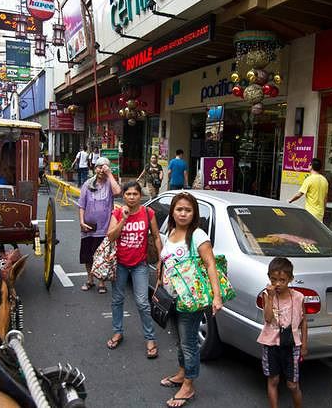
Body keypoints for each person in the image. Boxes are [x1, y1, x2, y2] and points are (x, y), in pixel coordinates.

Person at [157, 192, 223, 408]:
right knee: (181, 339)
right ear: (172, 212)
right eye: (179, 209)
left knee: (189, 343)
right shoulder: (172, 231)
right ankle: (182, 373)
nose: (183, 213)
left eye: (188, 210)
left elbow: (211, 264)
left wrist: (217, 296)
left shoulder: (198, 235)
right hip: (173, 297)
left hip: (191, 299)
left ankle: (188, 385)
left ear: (194, 213)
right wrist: (159, 282)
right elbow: (164, 260)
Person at [106, 181, 162, 358]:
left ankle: (150, 338)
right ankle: (117, 332)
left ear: (140, 195)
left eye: (134, 194)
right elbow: (111, 236)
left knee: (142, 303)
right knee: (117, 300)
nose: (131, 197)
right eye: (128, 194)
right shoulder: (117, 212)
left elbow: (156, 236)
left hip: (140, 265)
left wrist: (161, 260)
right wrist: (123, 218)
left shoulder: (147, 212)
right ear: (123, 196)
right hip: (120, 264)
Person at [257, 257, 307, 408]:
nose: (277, 284)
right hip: (271, 343)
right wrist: (270, 298)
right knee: (273, 380)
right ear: (269, 278)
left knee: (293, 384)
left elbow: (304, 321)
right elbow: (267, 318)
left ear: (290, 279)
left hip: (292, 344)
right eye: (273, 280)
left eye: (282, 280)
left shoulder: (298, 297)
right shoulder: (267, 295)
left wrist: (304, 344)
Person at [78, 157, 121, 294]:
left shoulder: (110, 183)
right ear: (94, 168)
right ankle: (90, 279)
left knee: (102, 256)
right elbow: (81, 205)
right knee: (87, 255)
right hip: (89, 226)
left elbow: (117, 192)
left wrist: (109, 174)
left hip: (104, 227)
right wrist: (81, 221)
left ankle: (101, 282)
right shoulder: (87, 184)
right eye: (98, 166)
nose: (101, 169)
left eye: (104, 167)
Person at [287, 158, 329, 222]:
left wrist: (290, 200)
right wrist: (324, 210)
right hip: (320, 213)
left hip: (310, 213)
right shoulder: (324, 180)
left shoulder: (309, 179)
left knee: (308, 231)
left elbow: (299, 194)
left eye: (309, 164)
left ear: (311, 166)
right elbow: (325, 198)